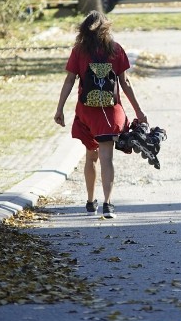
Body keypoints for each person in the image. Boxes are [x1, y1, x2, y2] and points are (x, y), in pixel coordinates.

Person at [54, 11, 147, 219]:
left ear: (84, 30)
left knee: (91, 156)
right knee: (107, 158)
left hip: (87, 113)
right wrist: (139, 112)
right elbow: (125, 83)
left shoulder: (79, 51)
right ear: (107, 29)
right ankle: (108, 204)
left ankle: (89, 201)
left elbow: (69, 80)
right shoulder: (115, 50)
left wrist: (59, 109)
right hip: (110, 114)